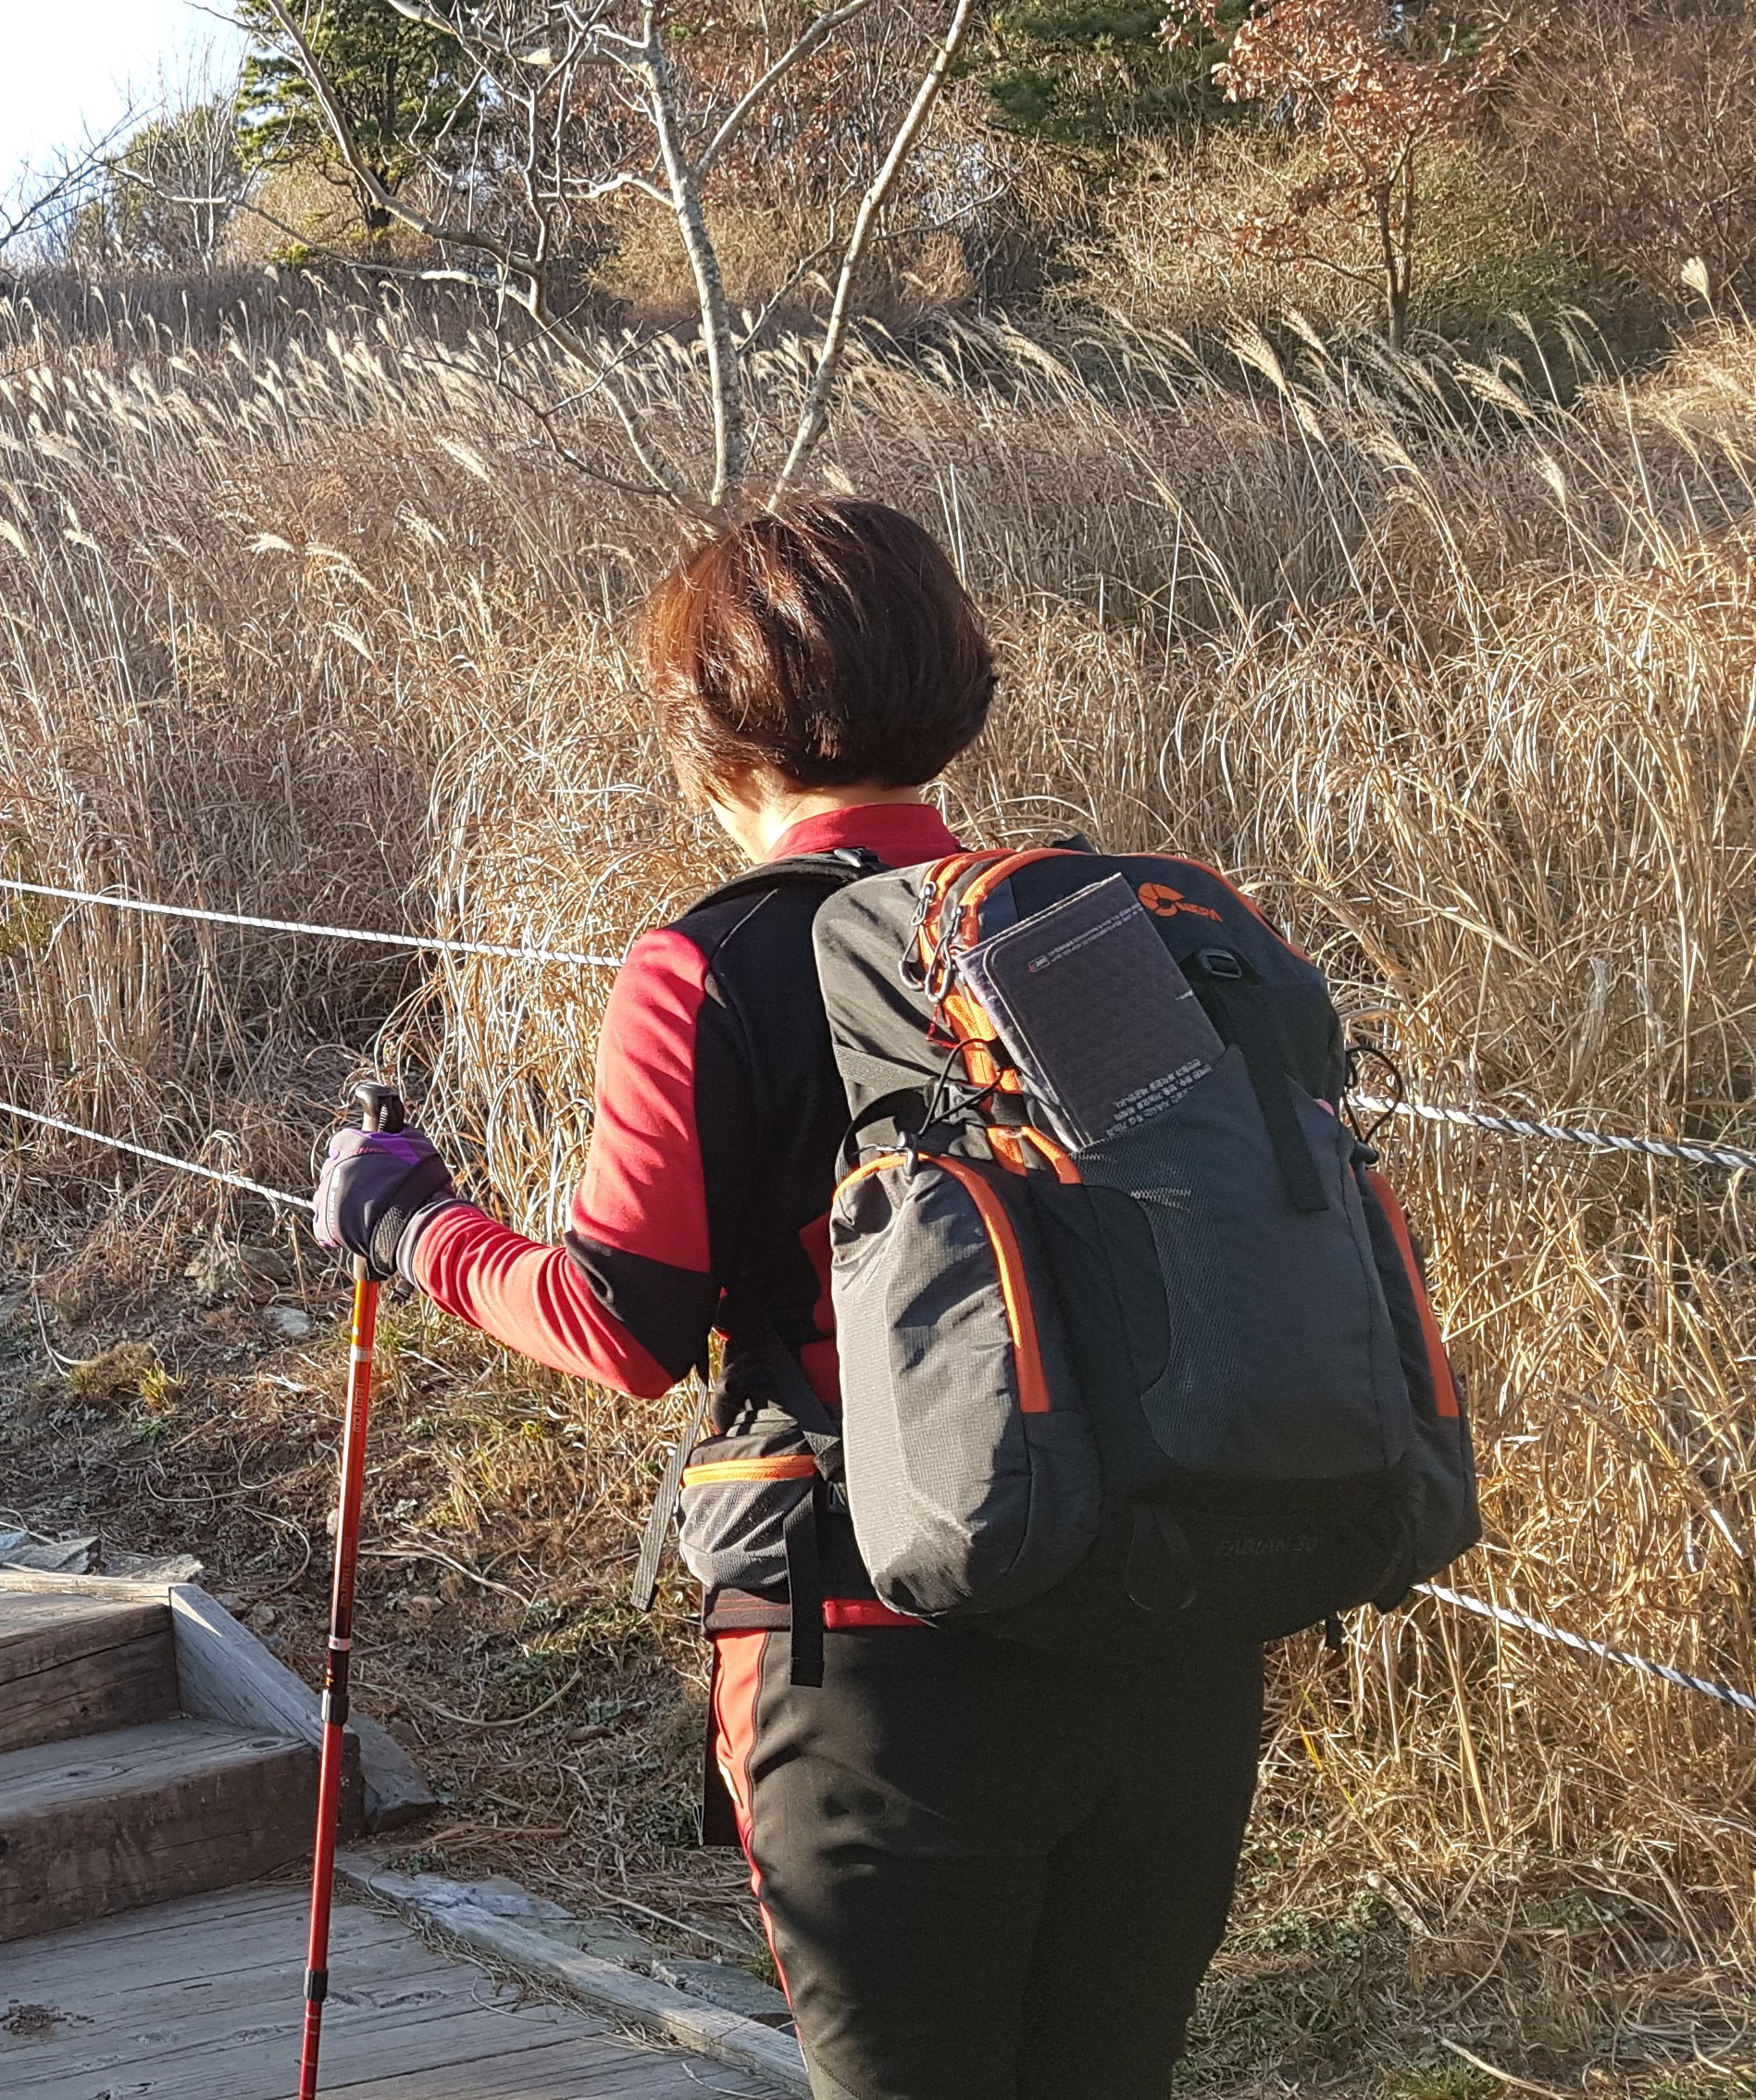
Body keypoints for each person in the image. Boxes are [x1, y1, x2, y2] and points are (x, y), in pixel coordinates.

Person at [311, 497, 1262, 2100]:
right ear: (957, 687)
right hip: (1167, 1641)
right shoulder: (1097, 928)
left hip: (874, 1657)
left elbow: (620, 1326)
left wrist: (407, 1220)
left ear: (708, 732)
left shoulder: (708, 967)